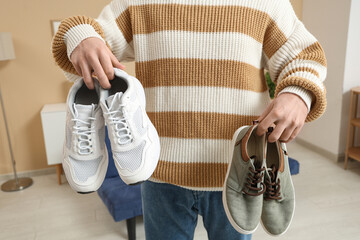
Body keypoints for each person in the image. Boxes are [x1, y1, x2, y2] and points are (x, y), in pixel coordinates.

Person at [52, 0, 327, 239]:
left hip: (239, 174)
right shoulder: (136, 3)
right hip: (160, 173)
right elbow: (92, 39)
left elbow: (304, 54)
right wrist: (80, 35)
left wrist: (298, 93)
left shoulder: (266, 2)